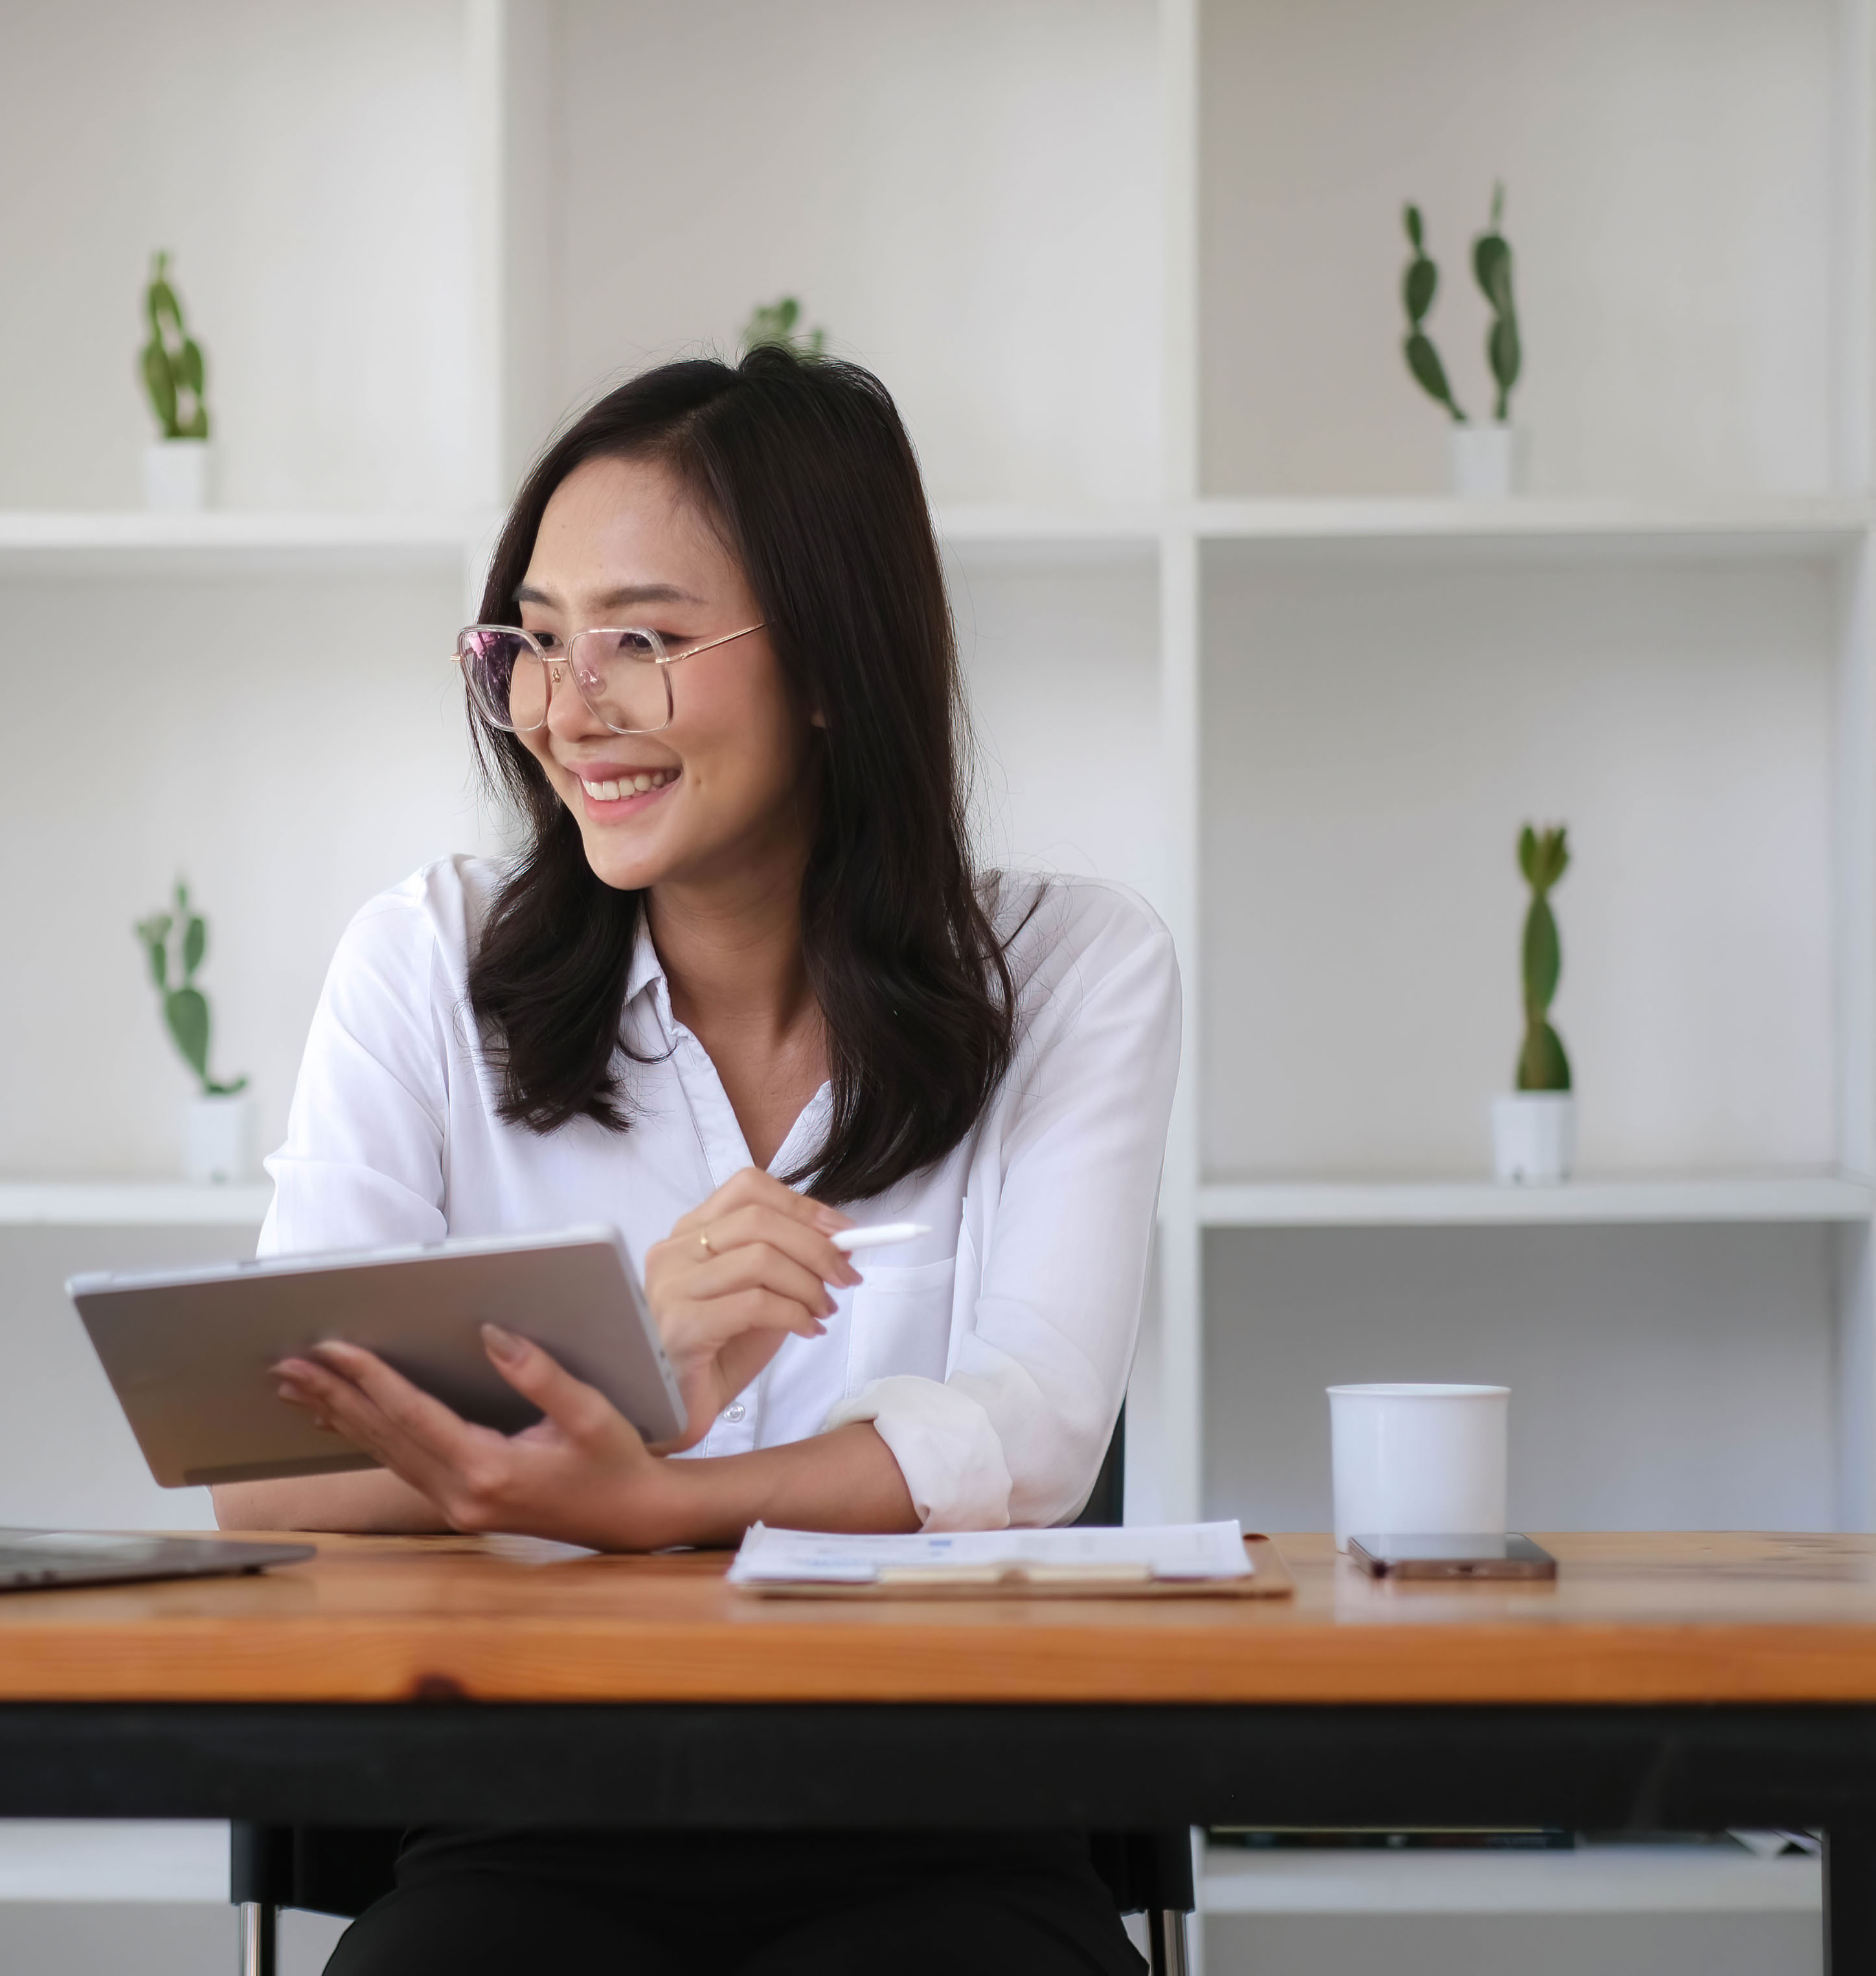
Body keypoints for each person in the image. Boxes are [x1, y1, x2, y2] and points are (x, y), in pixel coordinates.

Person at [210, 348, 1180, 1975]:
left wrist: (649, 1496)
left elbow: (1036, 1432)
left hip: (948, 1819)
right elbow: (264, 1451)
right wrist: (622, 1369)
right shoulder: (426, 964)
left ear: (828, 665)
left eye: (643, 641)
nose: (565, 705)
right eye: (535, 636)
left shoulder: (1070, 970)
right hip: (532, 1819)